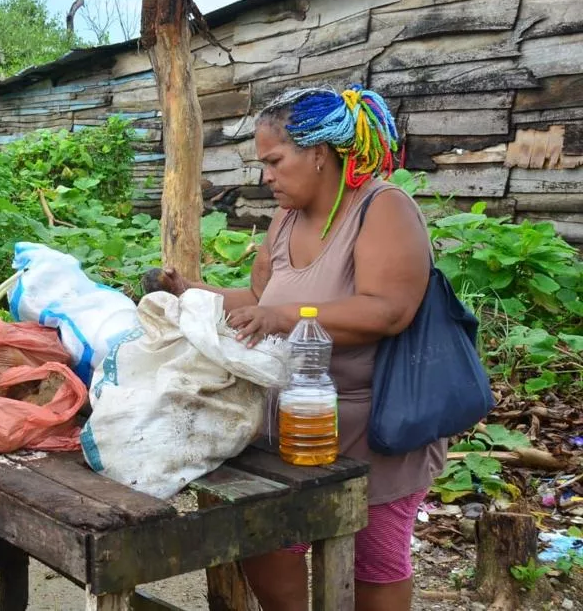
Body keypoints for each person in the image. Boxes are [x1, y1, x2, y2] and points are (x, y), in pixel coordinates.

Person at [161, 85, 445, 611]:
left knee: (374, 560)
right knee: (267, 542)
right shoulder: (286, 219)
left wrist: (284, 316)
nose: (265, 175)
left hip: (372, 430)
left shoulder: (382, 208)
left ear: (318, 153)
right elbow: (258, 298)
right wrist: (189, 293)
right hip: (289, 420)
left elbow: (389, 309)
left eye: (274, 160)